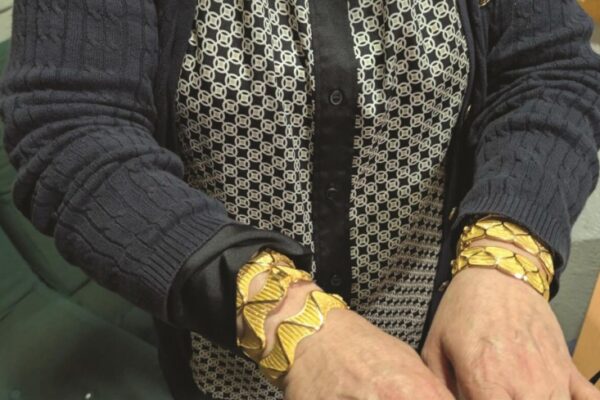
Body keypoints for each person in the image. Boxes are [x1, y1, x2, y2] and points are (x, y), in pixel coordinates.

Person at [1, 0, 600, 398]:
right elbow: (70, 129)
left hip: (440, 343)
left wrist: (504, 263)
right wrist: (292, 322)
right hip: (224, 366)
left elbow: (548, 70)